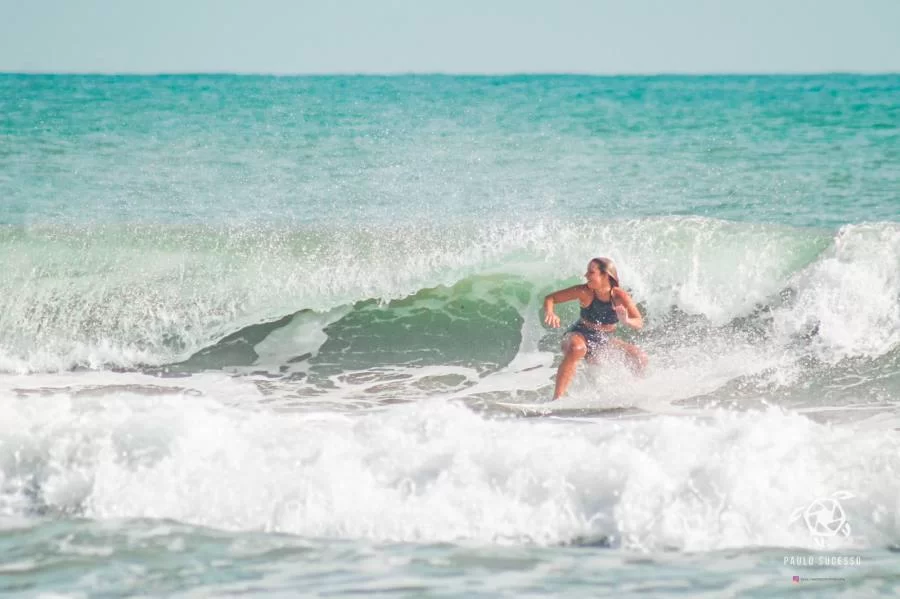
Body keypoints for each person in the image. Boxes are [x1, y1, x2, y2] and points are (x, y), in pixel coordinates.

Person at [543, 257, 647, 400]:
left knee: (639, 356)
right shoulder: (584, 291)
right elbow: (551, 298)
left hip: (604, 339)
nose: (586, 275)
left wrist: (627, 320)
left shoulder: (619, 296)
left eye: (591, 272)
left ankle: (635, 394)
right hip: (579, 334)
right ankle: (557, 399)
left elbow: (639, 322)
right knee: (577, 348)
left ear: (606, 275)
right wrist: (550, 312)